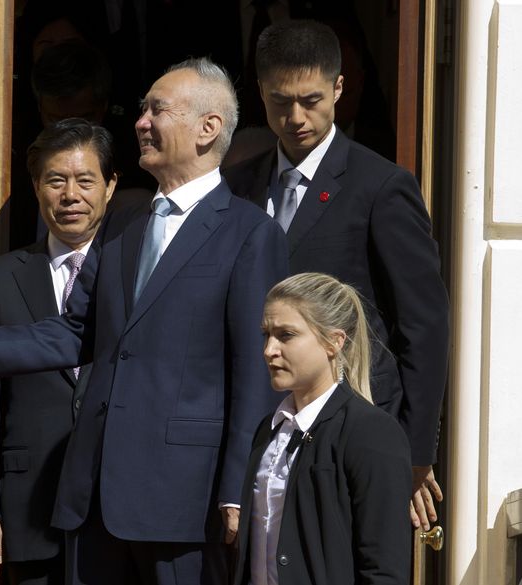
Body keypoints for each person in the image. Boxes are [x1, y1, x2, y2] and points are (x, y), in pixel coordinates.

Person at [0, 57, 288, 585]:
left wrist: (237, 487)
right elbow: (76, 330)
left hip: (184, 503)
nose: (140, 122)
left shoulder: (250, 233)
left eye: (157, 110)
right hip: (94, 500)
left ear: (208, 128)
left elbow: (257, 370)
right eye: (142, 110)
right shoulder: (125, 225)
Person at [224, 19, 449, 531]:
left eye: (311, 99)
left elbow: (424, 323)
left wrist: (415, 449)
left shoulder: (382, 185)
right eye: (281, 101)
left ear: (339, 88)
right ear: (260, 93)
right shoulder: (237, 186)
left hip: (354, 419)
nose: (296, 117)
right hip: (258, 425)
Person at [0, 118, 116, 585]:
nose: (71, 195)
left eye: (86, 180)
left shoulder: (135, 274)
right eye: (56, 180)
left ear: (110, 185)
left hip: (114, 512)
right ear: (35, 187)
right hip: (26, 513)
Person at [235, 272, 411, 585]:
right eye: (266, 335)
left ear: (334, 342)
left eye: (286, 335)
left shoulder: (370, 432)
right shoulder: (269, 430)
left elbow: (384, 568)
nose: (269, 350)